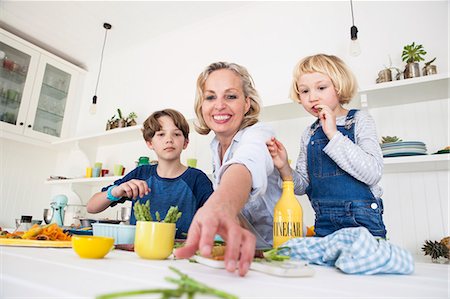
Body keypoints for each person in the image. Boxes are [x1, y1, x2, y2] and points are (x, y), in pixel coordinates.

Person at [174, 62, 281, 276]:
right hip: (247, 255)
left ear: (247, 103)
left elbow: (246, 164)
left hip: (278, 254)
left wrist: (221, 205)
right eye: (210, 97)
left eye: (230, 96)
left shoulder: (259, 134)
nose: (219, 105)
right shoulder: (215, 147)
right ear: (201, 106)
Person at [266, 53, 387, 238]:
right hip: (324, 225)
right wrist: (283, 167)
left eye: (321, 87)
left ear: (339, 87)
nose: (312, 97)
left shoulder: (360, 120)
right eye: (304, 91)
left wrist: (333, 134)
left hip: (364, 225)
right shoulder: (309, 133)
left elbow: (373, 173)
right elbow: (302, 187)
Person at [86, 109, 213, 239]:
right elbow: (91, 207)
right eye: (161, 134)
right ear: (150, 143)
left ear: (185, 142)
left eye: (176, 134)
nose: (169, 140)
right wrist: (115, 192)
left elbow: (215, 218)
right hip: (140, 251)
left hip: (180, 255)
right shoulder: (141, 173)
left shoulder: (197, 179)